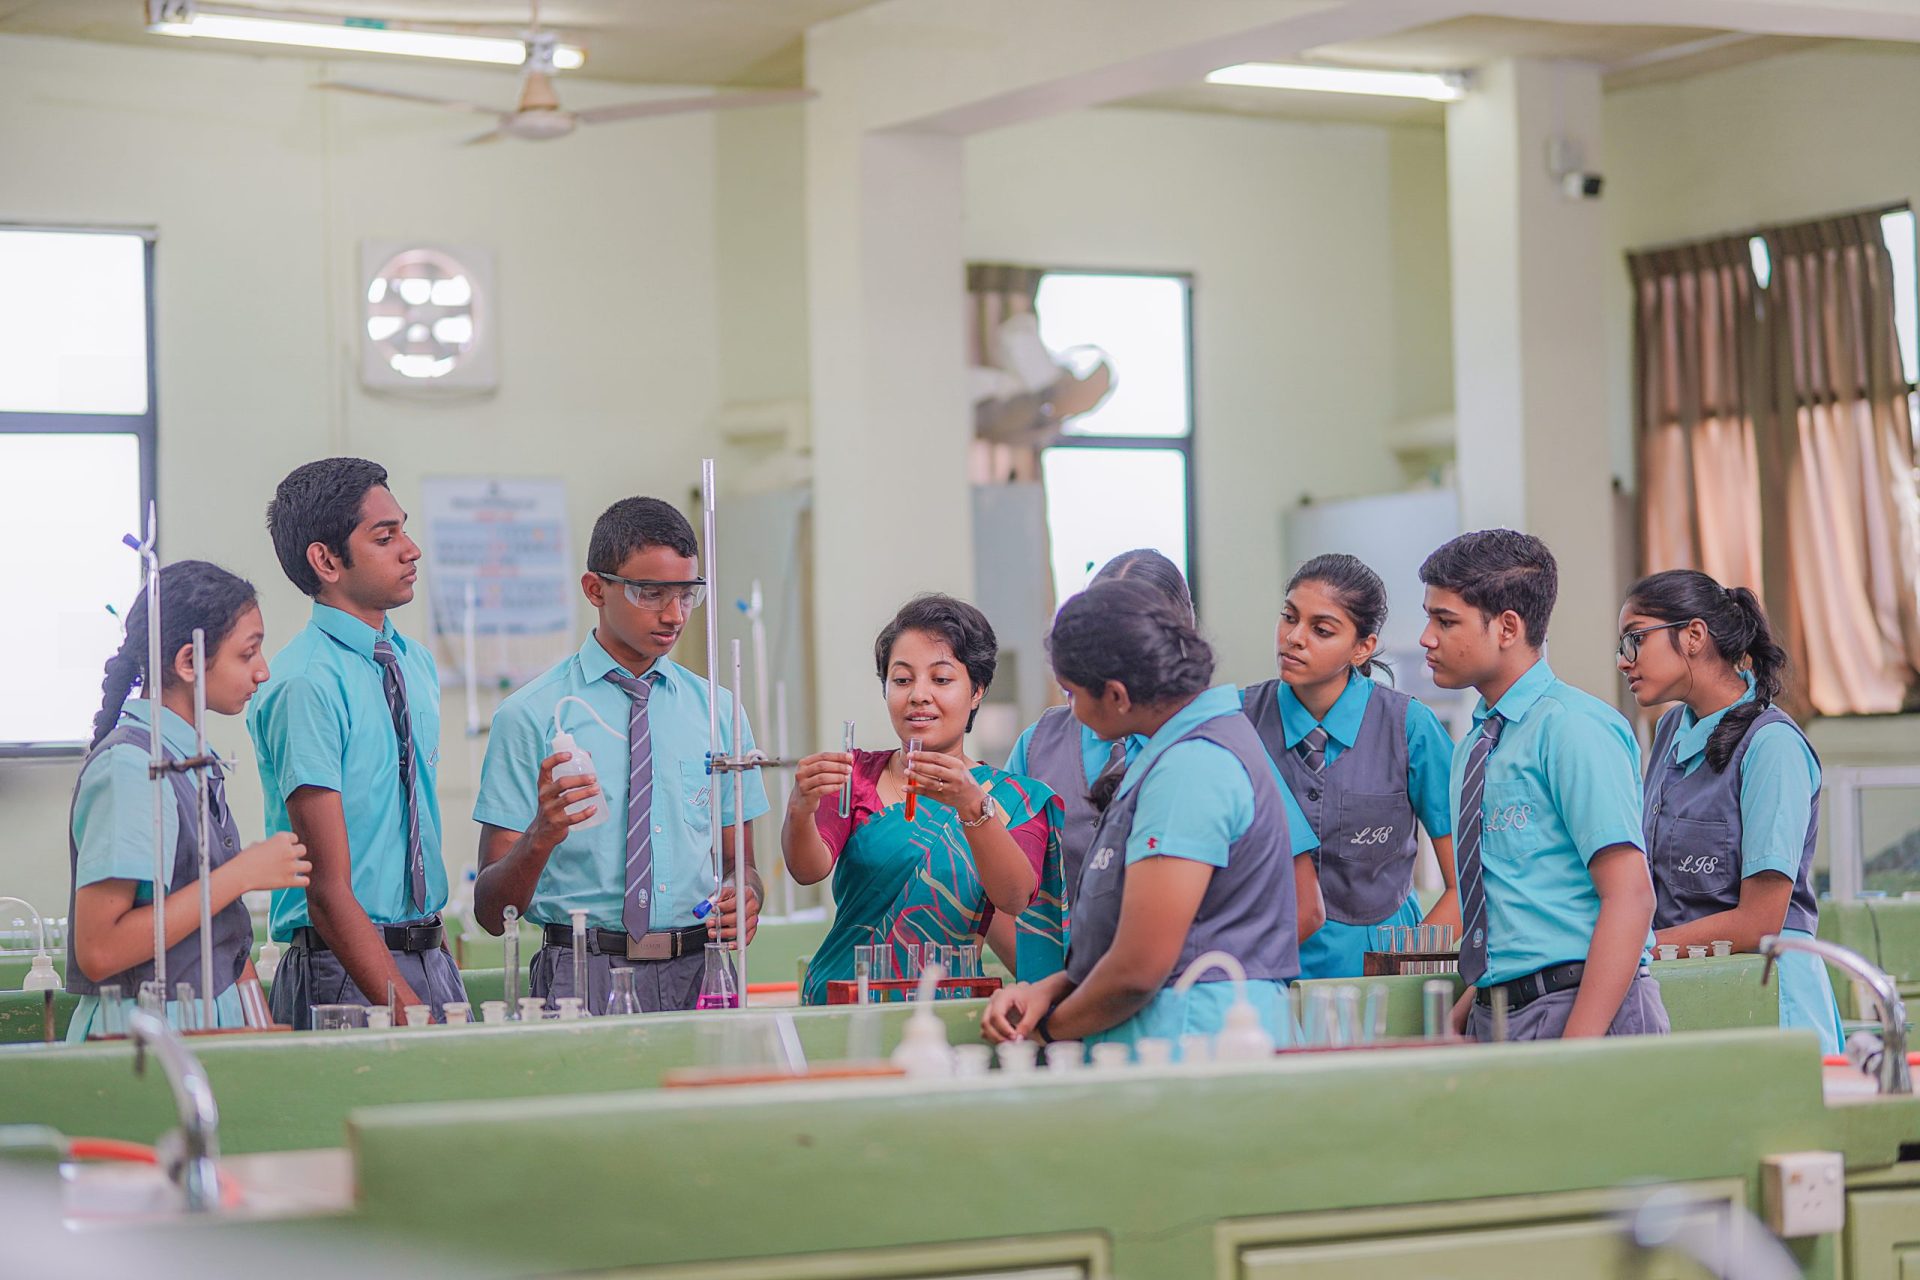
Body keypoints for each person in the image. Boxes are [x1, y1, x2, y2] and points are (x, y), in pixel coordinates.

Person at [982, 578, 1299, 1056]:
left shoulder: (1192, 767)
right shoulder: (1176, 750)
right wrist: (1051, 988)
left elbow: (1139, 966)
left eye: (1072, 694)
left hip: (1197, 1040)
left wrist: (1048, 1032)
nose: (1071, 712)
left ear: (1117, 696)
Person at [473, 497, 767, 1013]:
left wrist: (744, 896)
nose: (674, 615)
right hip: (579, 972)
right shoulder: (530, 716)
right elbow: (493, 913)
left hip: (700, 970)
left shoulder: (719, 711)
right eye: (649, 593)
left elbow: (740, 866)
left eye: (687, 595)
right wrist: (543, 833)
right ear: (595, 589)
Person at [1006, 549, 1323, 979]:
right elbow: (1010, 893)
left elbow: (1303, 908)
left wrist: (1151, 978)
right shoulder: (1042, 744)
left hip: (1175, 1007)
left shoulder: (1207, 753)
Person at [1417, 529, 1668, 1041]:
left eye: (1445, 621)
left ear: (1507, 627)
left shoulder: (1572, 728)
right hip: (1503, 1013)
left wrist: (1573, 1050)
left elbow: (1630, 898)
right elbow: (1523, 907)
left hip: (1583, 1010)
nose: (1427, 637)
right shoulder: (1475, 745)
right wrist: (1476, 999)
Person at [249, 457, 466, 1028]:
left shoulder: (412, 663)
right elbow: (326, 889)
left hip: (429, 954)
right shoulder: (305, 682)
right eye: (385, 536)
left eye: (404, 529)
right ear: (325, 560)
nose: (411, 549)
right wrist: (407, 1012)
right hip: (342, 966)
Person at [66, 561, 310, 1041]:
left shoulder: (193, 761)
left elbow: (221, 936)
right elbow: (100, 949)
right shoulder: (132, 768)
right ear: (188, 663)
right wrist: (239, 874)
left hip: (210, 1024)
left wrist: (261, 1029)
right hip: (142, 1037)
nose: (263, 671)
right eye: (248, 653)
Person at [785, 594, 1061, 1005]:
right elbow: (808, 870)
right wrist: (799, 808)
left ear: (977, 691)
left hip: (950, 1009)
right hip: (843, 1003)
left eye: (942, 679)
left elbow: (1014, 897)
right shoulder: (856, 776)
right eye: (902, 680)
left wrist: (972, 806)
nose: (918, 695)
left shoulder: (1017, 799)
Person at [1618, 569, 1842, 1053]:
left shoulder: (1772, 746)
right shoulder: (1671, 730)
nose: (1623, 660)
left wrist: (1632, 949)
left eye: (1636, 639)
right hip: (1695, 990)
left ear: (1694, 635)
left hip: (1769, 1003)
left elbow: (1758, 921)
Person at [1243, 554, 1457, 980]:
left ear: (1363, 647)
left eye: (1321, 630)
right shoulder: (1238, 720)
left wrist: (1404, 970)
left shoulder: (1410, 728)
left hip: (1383, 976)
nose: (1293, 638)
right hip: (1268, 973)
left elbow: (1466, 883)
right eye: (1289, 617)